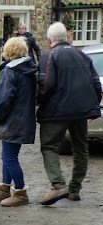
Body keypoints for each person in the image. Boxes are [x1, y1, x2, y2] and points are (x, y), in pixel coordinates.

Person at [35, 22, 102, 205]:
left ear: (50, 40)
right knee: (81, 149)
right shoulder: (82, 56)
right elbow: (96, 83)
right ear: (67, 38)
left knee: (49, 147)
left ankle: (58, 185)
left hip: (57, 112)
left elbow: (46, 84)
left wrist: (39, 101)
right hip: (81, 111)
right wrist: (92, 108)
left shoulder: (49, 56)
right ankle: (75, 189)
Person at [0, 37, 38, 207]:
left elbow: (3, 100)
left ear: (9, 52)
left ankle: (20, 192)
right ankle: (4, 189)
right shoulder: (27, 69)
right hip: (22, 119)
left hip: (12, 121)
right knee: (7, 156)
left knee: (10, 158)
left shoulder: (10, 71)